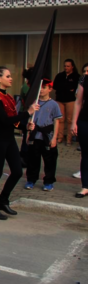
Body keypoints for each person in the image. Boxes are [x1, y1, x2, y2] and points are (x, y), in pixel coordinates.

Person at [0, 66, 39, 220]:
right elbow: (3, 120)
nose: (11, 78)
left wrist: (25, 126)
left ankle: (3, 199)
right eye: (7, 76)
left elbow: (13, 121)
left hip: (9, 139)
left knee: (17, 171)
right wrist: (27, 113)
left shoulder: (7, 97)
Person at [24, 79, 62, 191]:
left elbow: (56, 121)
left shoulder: (54, 104)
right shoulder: (34, 103)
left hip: (47, 136)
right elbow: (30, 119)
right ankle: (31, 180)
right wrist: (28, 132)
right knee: (33, 160)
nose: (41, 90)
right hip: (35, 136)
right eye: (40, 87)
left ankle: (49, 181)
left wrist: (54, 137)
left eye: (44, 87)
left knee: (50, 160)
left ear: (50, 89)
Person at [53, 59, 80, 147]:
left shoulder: (76, 76)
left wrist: (67, 88)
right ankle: (59, 137)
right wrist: (67, 88)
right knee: (60, 119)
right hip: (60, 100)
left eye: (68, 66)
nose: (66, 67)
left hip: (70, 100)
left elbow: (76, 88)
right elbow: (55, 86)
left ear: (72, 66)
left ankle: (69, 139)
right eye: (65, 66)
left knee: (70, 120)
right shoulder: (60, 76)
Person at [71, 64, 88, 198]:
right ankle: (85, 186)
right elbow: (78, 102)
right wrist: (74, 122)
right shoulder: (84, 80)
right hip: (85, 120)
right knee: (86, 154)